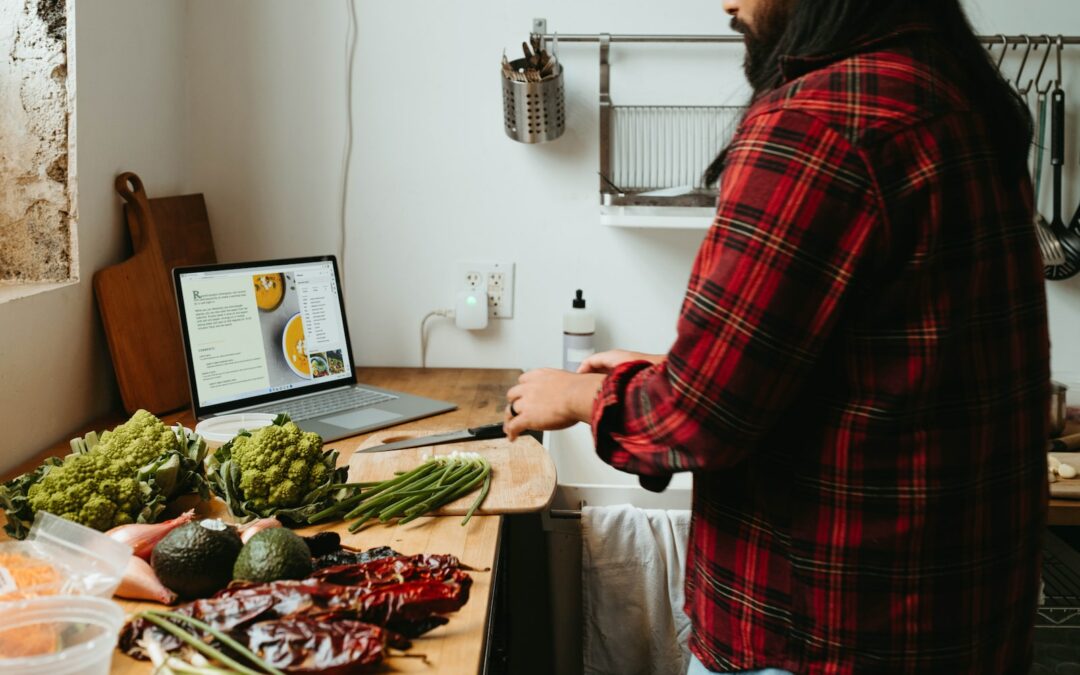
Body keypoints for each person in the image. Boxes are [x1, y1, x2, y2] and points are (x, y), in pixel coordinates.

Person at [503, 0, 1050, 672]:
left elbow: (701, 418)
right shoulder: (960, 99)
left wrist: (580, 396)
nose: (725, 2)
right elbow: (885, 369)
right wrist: (671, 367)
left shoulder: (819, 121)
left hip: (821, 639)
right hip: (963, 629)